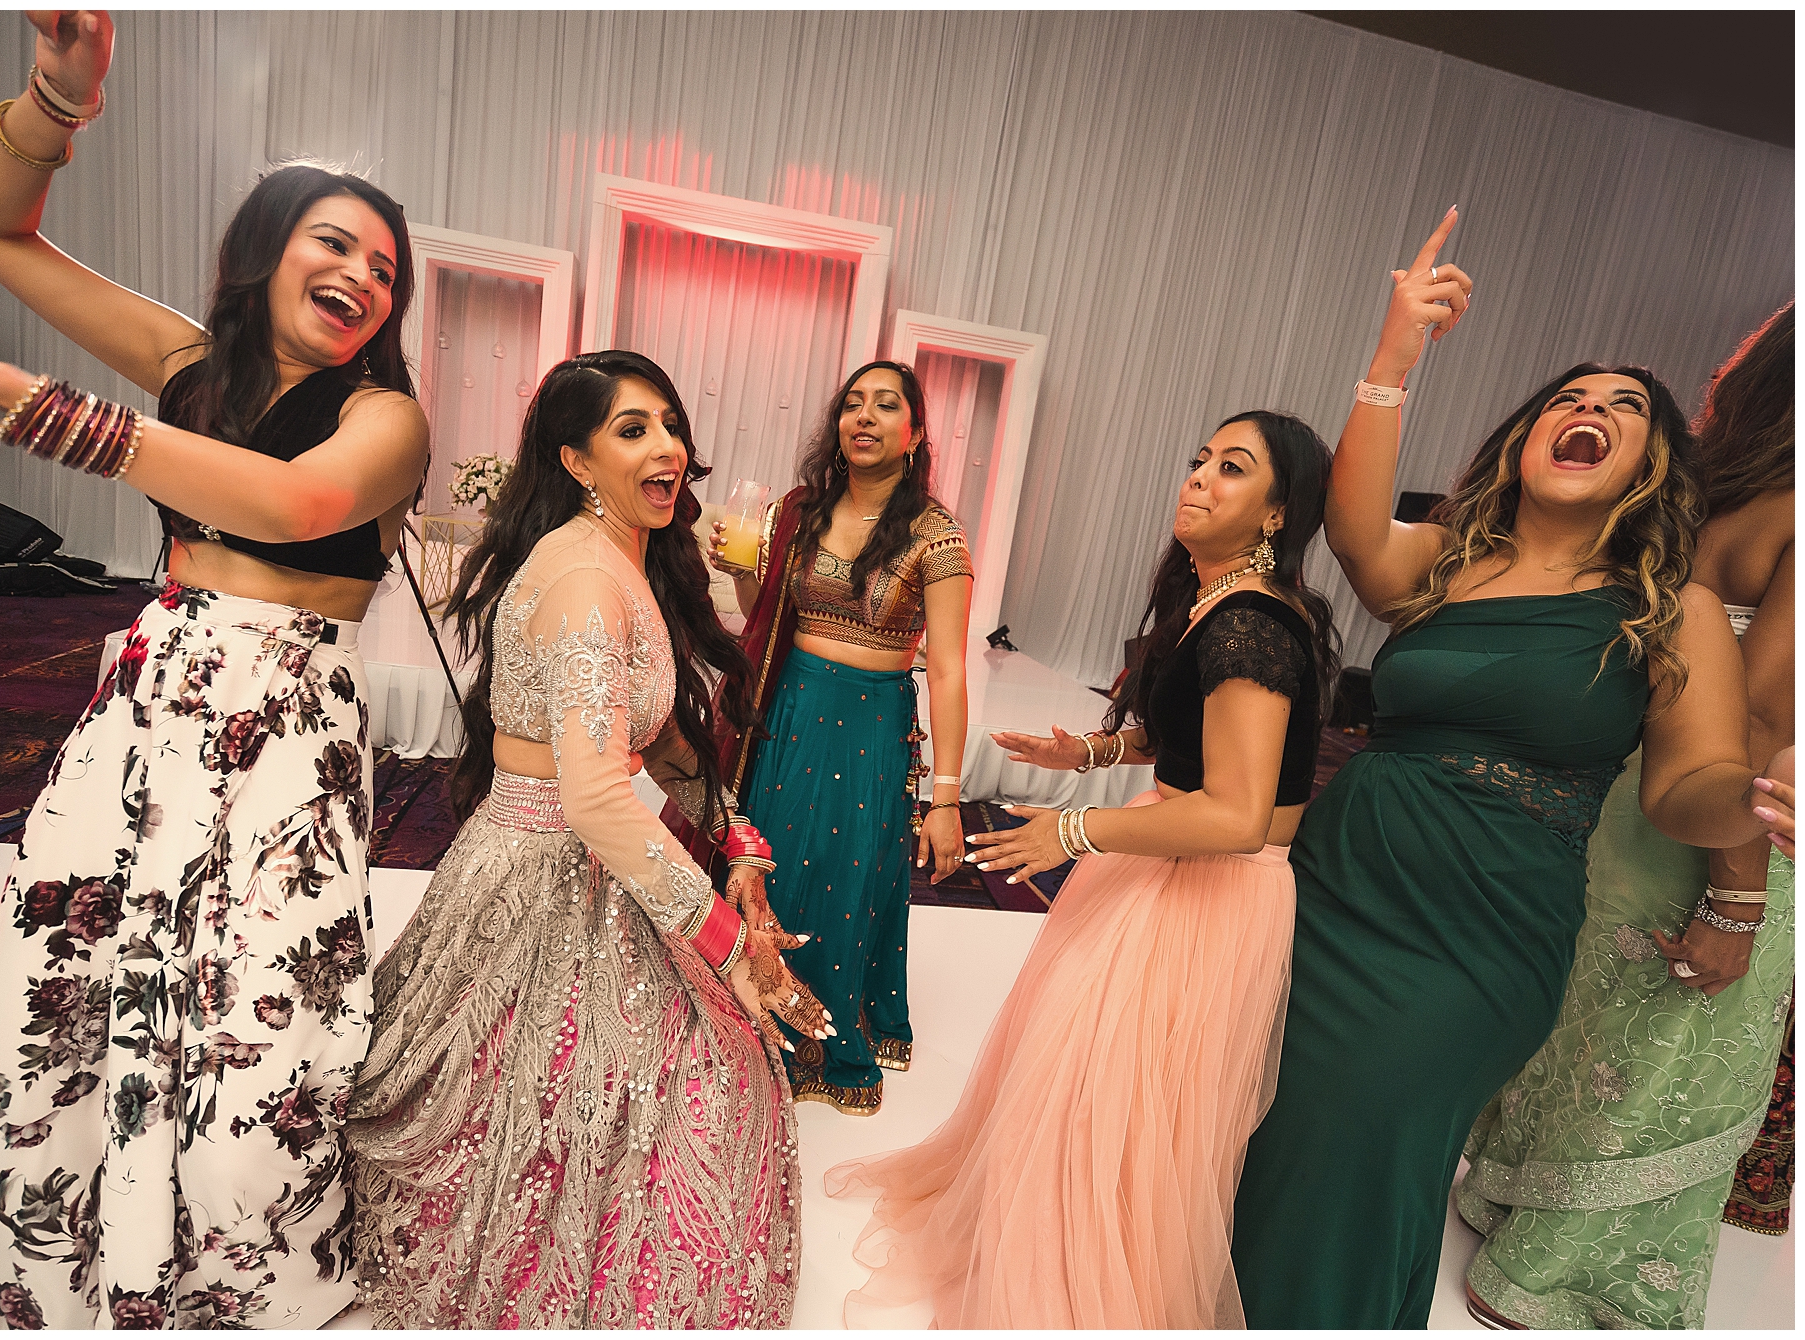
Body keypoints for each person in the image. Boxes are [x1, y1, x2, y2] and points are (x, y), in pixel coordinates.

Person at [0, 12, 430, 1328]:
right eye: (335, 242)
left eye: (385, 268)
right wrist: (56, 96)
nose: (362, 275)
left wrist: (11, 395)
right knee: (73, 981)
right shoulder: (191, 364)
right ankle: (69, 1272)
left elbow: (293, 500)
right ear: (268, 250)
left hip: (287, 730)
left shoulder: (386, 418)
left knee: (259, 1031)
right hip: (152, 701)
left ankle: (241, 1295)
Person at [1228, 209, 1795, 1328]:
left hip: (1484, 930)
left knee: (1361, 1132)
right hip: (1338, 887)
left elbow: (1686, 789)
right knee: (1274, 1128)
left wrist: (1757, 803)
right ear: (1526, 437)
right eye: (1569, 398)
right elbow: (1353, 534)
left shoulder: (1666, 607)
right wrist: (1395, 354)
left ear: (1650, 466)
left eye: (1625, 408)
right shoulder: (1451, 561)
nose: (1592, 410)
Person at [343, 350, 831, 1328]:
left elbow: (658, 743)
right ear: (574, 459)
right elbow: (598, 799)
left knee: (686, 1070)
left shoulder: (624, 559)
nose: (667, 447)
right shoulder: (579, 578)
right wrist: (730, 946)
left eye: (669, 424)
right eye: (631, 429)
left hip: (595, 860)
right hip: (540, 868)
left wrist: (737, 838)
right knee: (563, 1094)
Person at [822, 409, 1340, 1326]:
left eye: (1233, 467)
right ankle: (1052, 1254)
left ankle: (1084, 1293)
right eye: (1200, 458)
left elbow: (1237, 815)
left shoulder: (1250, 627)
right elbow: (1196, 741)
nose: (1198, 477)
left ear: (1277, 513)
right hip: (1169, 854)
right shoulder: (1221, 603)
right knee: (1083, 1072)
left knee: (1128, 1097)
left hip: (1214, 880)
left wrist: (1072, 832)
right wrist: (1091, 754)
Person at [1455, 303, 1796, 1328]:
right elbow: (1758, 717)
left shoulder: (1701, 495)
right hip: (1719, 832)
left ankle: (1503, 1204)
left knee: (1596, 1025)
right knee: (1675, 1053)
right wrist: (1737, 903)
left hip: (1627, 801)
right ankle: (1549, 1279)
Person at [693, 360, 970, 1116]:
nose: (865, 417)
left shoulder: (935, 535)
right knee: (771, 858)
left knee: (848, 872)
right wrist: (739, 571)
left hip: (871, 725)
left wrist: (947, 798)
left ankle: (826, 1041)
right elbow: (766, 614)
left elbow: (948, 669)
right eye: (853, 403)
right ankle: (750, 1018)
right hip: (789, 710)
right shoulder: (801, 512)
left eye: (886, 405)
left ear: (914, 432)